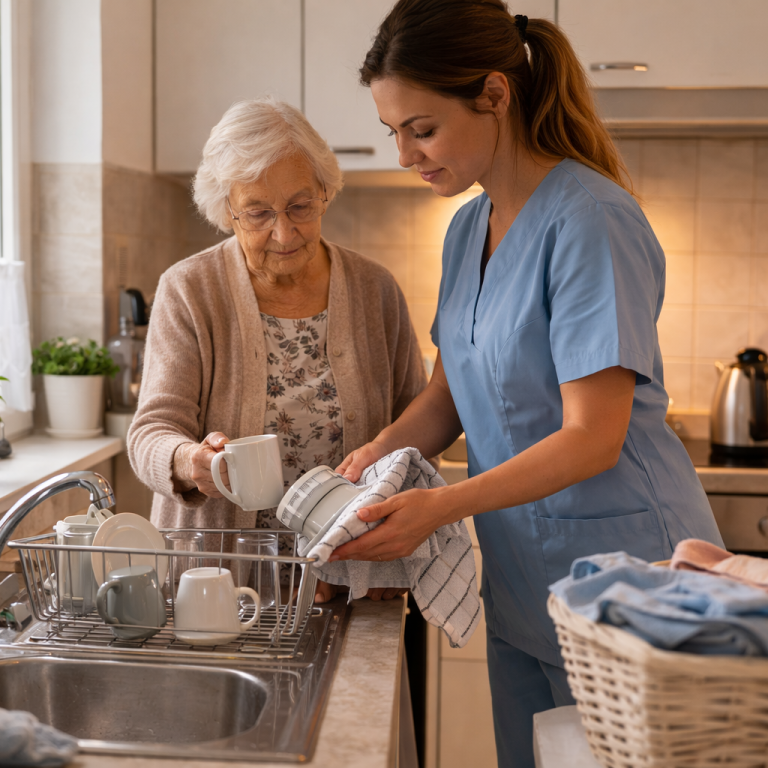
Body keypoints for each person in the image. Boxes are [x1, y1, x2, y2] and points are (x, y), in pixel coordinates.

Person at [332, 2, 724, 765]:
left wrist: (438, 505)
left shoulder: (591, 220)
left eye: (423, 127)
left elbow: (593, 437)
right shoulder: (464, 230)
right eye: (393, 134)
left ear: (495, 94)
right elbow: (451, 395)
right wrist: (370, 459)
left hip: (628, 583)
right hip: (522, 584)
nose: (407, 154)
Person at [127, 98, 423, 603]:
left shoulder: (375, 289)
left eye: (300, 207)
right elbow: (150, 430)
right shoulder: (188, 289)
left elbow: (418, 421)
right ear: (227, 212)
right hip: (218, 589)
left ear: (326, 193)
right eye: (258, 213)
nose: (284, 233)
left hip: (352, 582)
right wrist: (188, 460)